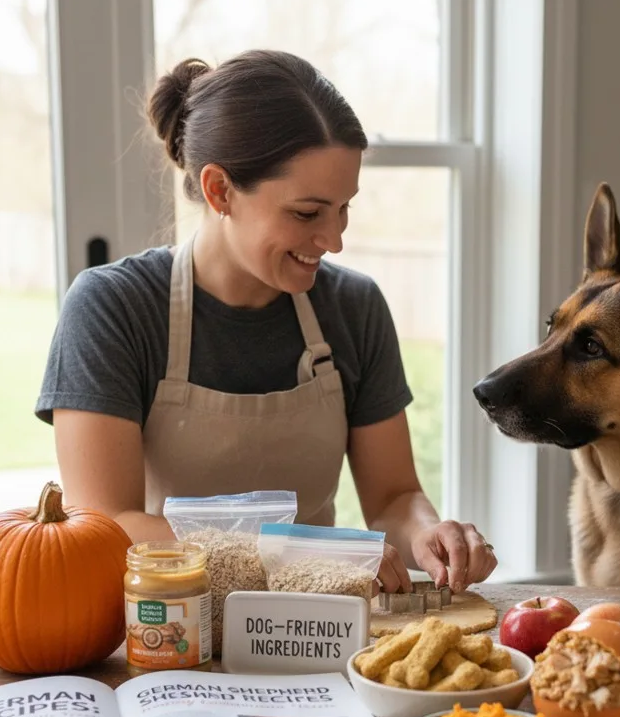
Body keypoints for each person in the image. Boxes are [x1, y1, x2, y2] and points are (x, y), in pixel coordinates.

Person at [35, 49, 497, 595]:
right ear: (219, 190)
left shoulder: (354, 306)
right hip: (171, 627)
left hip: (320, 633)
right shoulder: (114, 307)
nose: (334, 240)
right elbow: (108, 526)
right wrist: (311, 553)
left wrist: (426, 532)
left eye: (344, 208)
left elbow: (394, 497)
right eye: (307, 213)